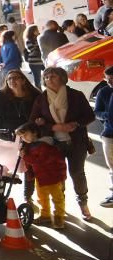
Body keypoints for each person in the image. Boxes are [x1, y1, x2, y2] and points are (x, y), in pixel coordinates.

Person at [30, 67, 95, 221]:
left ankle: (83, 203)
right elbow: (33, 120)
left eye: (53, 76)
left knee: (77, 173)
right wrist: (52, 127)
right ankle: (61, 205)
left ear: (62, 78)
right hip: (53, 145)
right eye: (46, 77)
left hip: (76, 142)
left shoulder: (76, 95)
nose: (49, 79)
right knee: (58, 176)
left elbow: (90, 116)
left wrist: (76, 123)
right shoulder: (41, 99)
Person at [15, 123, 68, 228]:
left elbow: (40, 161)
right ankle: (45, 215)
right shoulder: (30, 147)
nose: (23, 138)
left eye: (25, 135)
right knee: (42, 197)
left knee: (57, 198)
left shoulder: (45, 145)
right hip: (40, 177)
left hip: (53, 176)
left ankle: (59, 217)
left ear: (34, 133)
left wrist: (25, 156)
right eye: (21, 137)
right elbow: (31, 164)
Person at [94, 65, 113, 208]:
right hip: (109, 134)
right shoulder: (103, 92)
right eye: (108, 80)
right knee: (112, 166)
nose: (110, 83)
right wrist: (107, 116)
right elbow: (97, 112)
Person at [24, 24, 45, 89]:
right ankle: (39, 94)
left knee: (49, 74)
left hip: (42, 61)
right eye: (36, 30)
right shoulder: (28, 41)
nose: (38, 31)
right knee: (37, 80)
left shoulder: (39, 38)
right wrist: (39, 43)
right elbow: (32, 50)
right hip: (34, 63)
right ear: (32, 31)